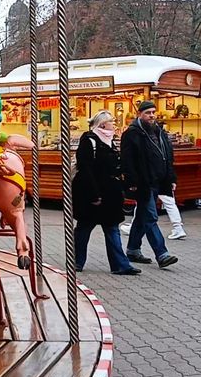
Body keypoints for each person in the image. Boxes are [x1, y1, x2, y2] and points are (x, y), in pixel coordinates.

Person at [72, 111, 141, 275]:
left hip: (110, 194)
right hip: (93, 194)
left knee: (111, 229)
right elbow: (85, 169)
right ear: (103, 124)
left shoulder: (111, 142)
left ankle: (120, 265)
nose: (114, 124)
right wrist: (94, 194)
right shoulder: (89, 140)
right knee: (84, 228)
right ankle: (76, 261)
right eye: (112, 121)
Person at [120, 100, 179, 269]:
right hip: (142, 182)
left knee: (142, 217)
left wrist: (171, 178)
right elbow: (127, 161)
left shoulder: (159, 132)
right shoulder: (132, 134)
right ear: (140, 114)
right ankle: (162, 253)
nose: (151, 116)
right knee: (151, 216)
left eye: (153, 112)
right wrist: (131, 183)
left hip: (157, 180)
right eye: (148, 113)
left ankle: (132, 249)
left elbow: (168, 157)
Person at [120, 195, 187, 240]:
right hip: (164, 179)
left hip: (153, 180)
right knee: (170, 204)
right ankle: (178, 228)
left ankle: (133, 227)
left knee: (142, 203)